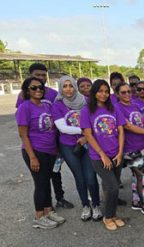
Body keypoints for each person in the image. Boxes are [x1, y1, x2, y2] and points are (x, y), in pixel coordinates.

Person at [16, 63, 72, 209]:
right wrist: (31, 154)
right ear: (30, 76)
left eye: (43, 75)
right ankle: (43, 210)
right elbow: (22, 124)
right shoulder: (24, 98)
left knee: (55, 171)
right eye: (37, 75)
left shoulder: (52, 94)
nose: (41, 79)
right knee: (41, 180)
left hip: (53, 141)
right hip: (37, 145)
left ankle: (59, 198)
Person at [53, 76, 102, 221]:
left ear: (75, 86)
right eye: (65, 86)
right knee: (79, 178)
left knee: (90, 177)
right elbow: (62, 128)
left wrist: (87, 137)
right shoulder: (57, 104)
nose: (68, 89)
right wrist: (84, 132)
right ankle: (86, 205)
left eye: (71, 86)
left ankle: (96, 204)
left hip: (87, 144)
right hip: (69, 146)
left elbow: (94, 121)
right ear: (61, 88)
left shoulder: (86, 101)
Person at [80, 79, 126, 231]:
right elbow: (88, 134)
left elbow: (120, 131)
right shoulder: (87, 110)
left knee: (112, 186)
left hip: (116, 154)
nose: (104, 94)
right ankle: (108, 217)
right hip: (99, 157)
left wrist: (120, 153)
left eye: (106, 91)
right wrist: (102, 155)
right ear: (94, 92)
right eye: (100, 91)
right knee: (113, 186)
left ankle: (113, 215)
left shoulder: (113, 108)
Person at [115, 83, 144, 217]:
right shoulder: (117, 108)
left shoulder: (134, 105)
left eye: (129, 91)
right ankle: (143, 204)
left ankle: (136, 201)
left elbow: (141, 124)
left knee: (139, 176)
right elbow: (128, 126)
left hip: (143, 145)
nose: (127, 94)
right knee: (141, 176)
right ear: (117, 94)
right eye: (123, 92)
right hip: (130, 148)